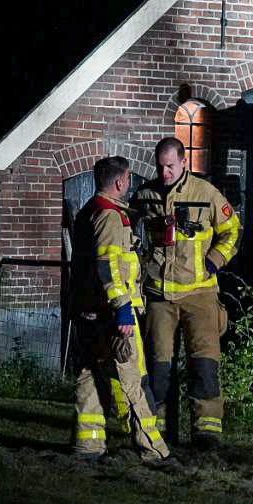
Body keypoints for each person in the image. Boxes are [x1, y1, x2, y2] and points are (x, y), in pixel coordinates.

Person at [133, 137, 242, 448]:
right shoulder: (145, 196)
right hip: (158, 296)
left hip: (200, 295)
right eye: (160, 166)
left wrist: (214, 262)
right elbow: (128, 232)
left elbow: (233, 230)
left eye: (170, 165)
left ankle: (206, 433)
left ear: (183, 162)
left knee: (204, 366)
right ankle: (157, 431)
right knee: (158, 368)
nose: (165, 172)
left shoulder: (206, 194)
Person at [70, 156, 173, 466]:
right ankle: (154, 451)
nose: (130, 185)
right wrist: (123, 311)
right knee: (134, 381)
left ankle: (88, 446)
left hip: (88, 313)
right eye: (129, 179)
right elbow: (109, 267)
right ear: (119, 182)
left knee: (89, 378)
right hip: (112, 317)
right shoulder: (110, 217)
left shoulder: (89, 211)